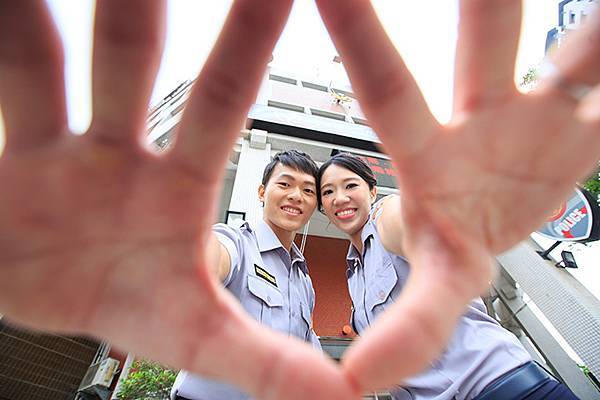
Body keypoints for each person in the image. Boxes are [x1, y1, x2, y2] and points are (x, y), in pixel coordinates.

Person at [0, 0, 598, 398]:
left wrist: (444, 205)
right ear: (260, 192)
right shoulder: (238, 242)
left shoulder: (367, 238)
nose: (324, 198)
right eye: (300, 186)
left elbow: (406, 219)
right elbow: (205, 259)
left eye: (335, 189)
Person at [318, 152, 580, 399]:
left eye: (350, 186)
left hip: (502, 387)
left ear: (373, 191)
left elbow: (409, 227)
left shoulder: (385, 214)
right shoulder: (354, 271)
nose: (339, 198)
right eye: (328, 192)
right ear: (323, 207)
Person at [170, 150, 322, 400]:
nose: (296, 196)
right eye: (285, 184)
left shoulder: (304, 281)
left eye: (308, 191)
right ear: (262, 192)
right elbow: (209, 263)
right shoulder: (236, 243)